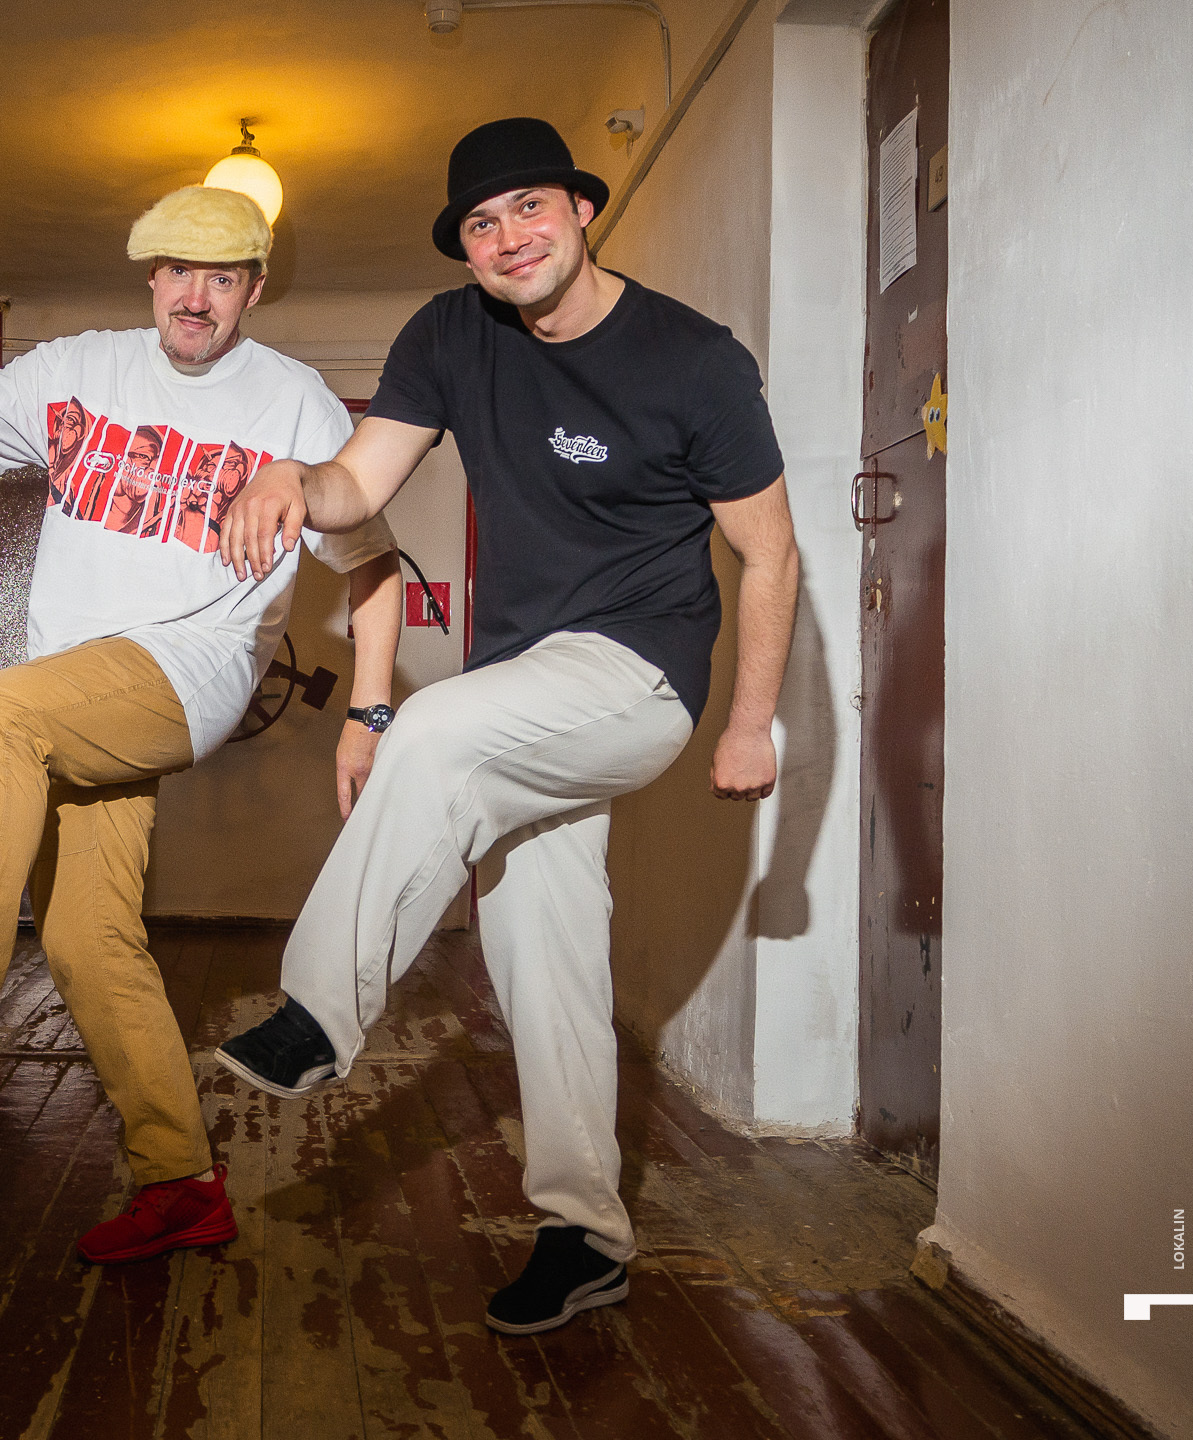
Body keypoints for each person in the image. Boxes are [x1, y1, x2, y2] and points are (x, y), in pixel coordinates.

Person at [213, 118, 800, 1333]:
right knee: (546, 953)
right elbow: (356, 485)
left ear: (582, 209)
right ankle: (586, 1236)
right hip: (527, 695)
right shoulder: (450, 334)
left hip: (637, 678)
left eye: (529, 207)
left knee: (431, 732)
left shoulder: (695, 362)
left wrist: (752, 724)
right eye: (481, 224)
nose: (507, 238)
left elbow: (771, 553)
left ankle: (320, 1009)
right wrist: (292, 480)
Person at [0, 184, 402, 1264]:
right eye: (179, 273)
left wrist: (367, 713)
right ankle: (183, 1182)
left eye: (223, 279)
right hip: (78, 691)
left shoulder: (296, 403)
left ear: (253, 290)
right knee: (88, 937)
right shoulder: (79, 368)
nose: (196, 298)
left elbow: (374, 567)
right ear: (151, 277)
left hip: (193, 668)